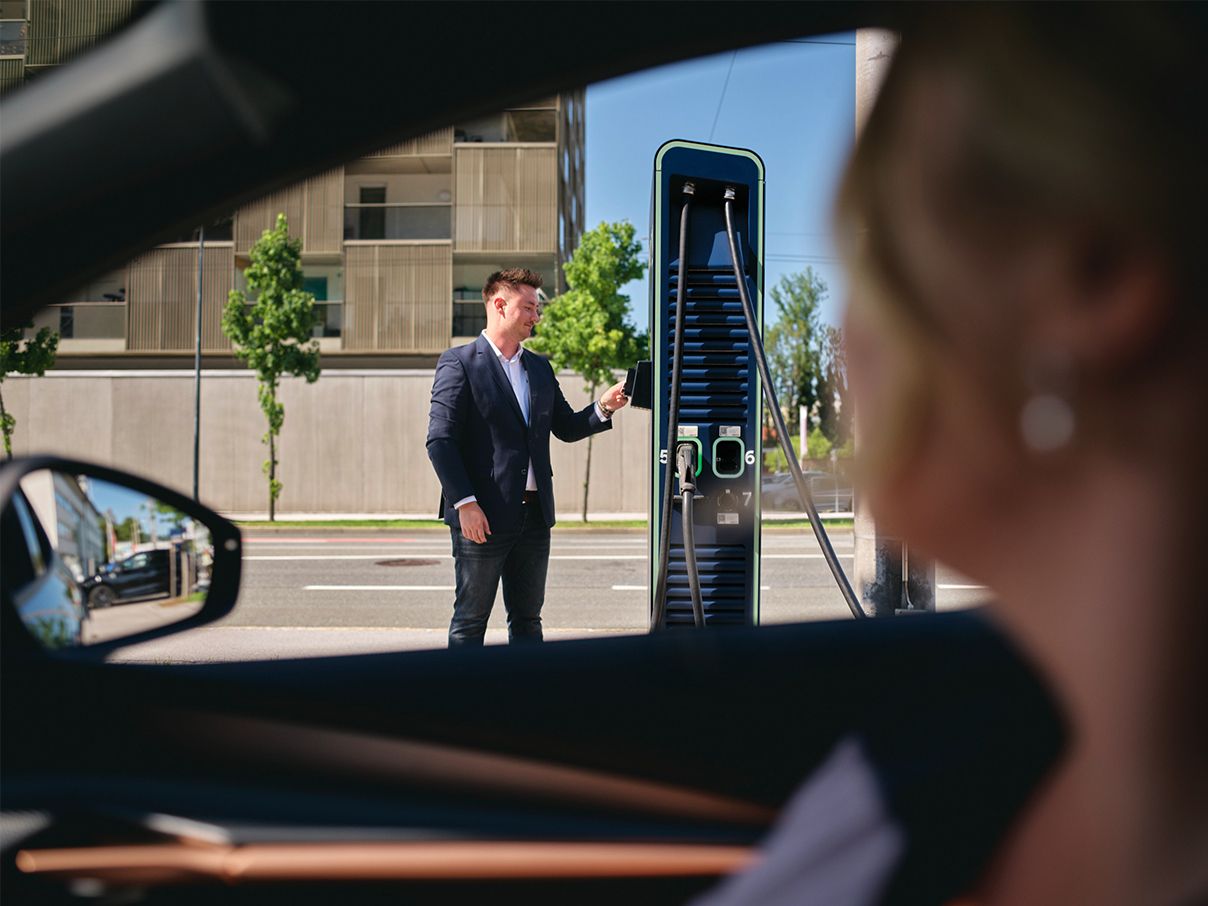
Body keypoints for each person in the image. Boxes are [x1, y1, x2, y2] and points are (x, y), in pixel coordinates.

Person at [697, 6, 1207, 906]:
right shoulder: (921, 765)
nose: (848, 337)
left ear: (1095, 277)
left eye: (880, 251)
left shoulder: (914, 779)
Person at [426, 268, 629, 647]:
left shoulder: (538, 367)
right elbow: (440, 441)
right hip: (481, 518)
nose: (537, 316)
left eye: (538, 309)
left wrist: (605, 405)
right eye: (529, 307)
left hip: (535, 517)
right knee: (470, 622)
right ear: (500, 305)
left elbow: (566, 427)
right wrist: (465, 503)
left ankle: (526, 701)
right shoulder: (459, 363)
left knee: (528, 620)